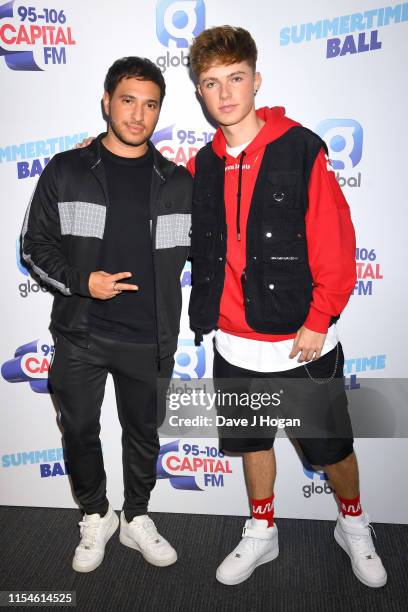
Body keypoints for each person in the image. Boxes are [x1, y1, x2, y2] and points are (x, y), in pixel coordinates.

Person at [187, 26, 387, 588]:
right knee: (253, 444)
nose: (225, 93)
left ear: (256, 80)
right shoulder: (201, 165)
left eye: (235, 78)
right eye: (211, 83)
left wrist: (319, 319)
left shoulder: (300, 148)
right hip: (233, 342)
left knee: (332, 450)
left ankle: (353, 524)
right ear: (200, 94)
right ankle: (262, 530)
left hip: (302, 341)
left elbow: (336, 242)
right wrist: (93, 152)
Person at [22, 56, 193, 572]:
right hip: (81, 335)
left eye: (150, 104)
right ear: (106, 102)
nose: (138, 115)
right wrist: (83, 281)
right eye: (127, 100)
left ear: (159, 111)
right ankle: (96, 515)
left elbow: (209, 259)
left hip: (149, 337)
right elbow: (35, 245)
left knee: (144, 434)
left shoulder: (179, 182)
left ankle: (137, 516)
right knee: (79, 432)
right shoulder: (67, 169)